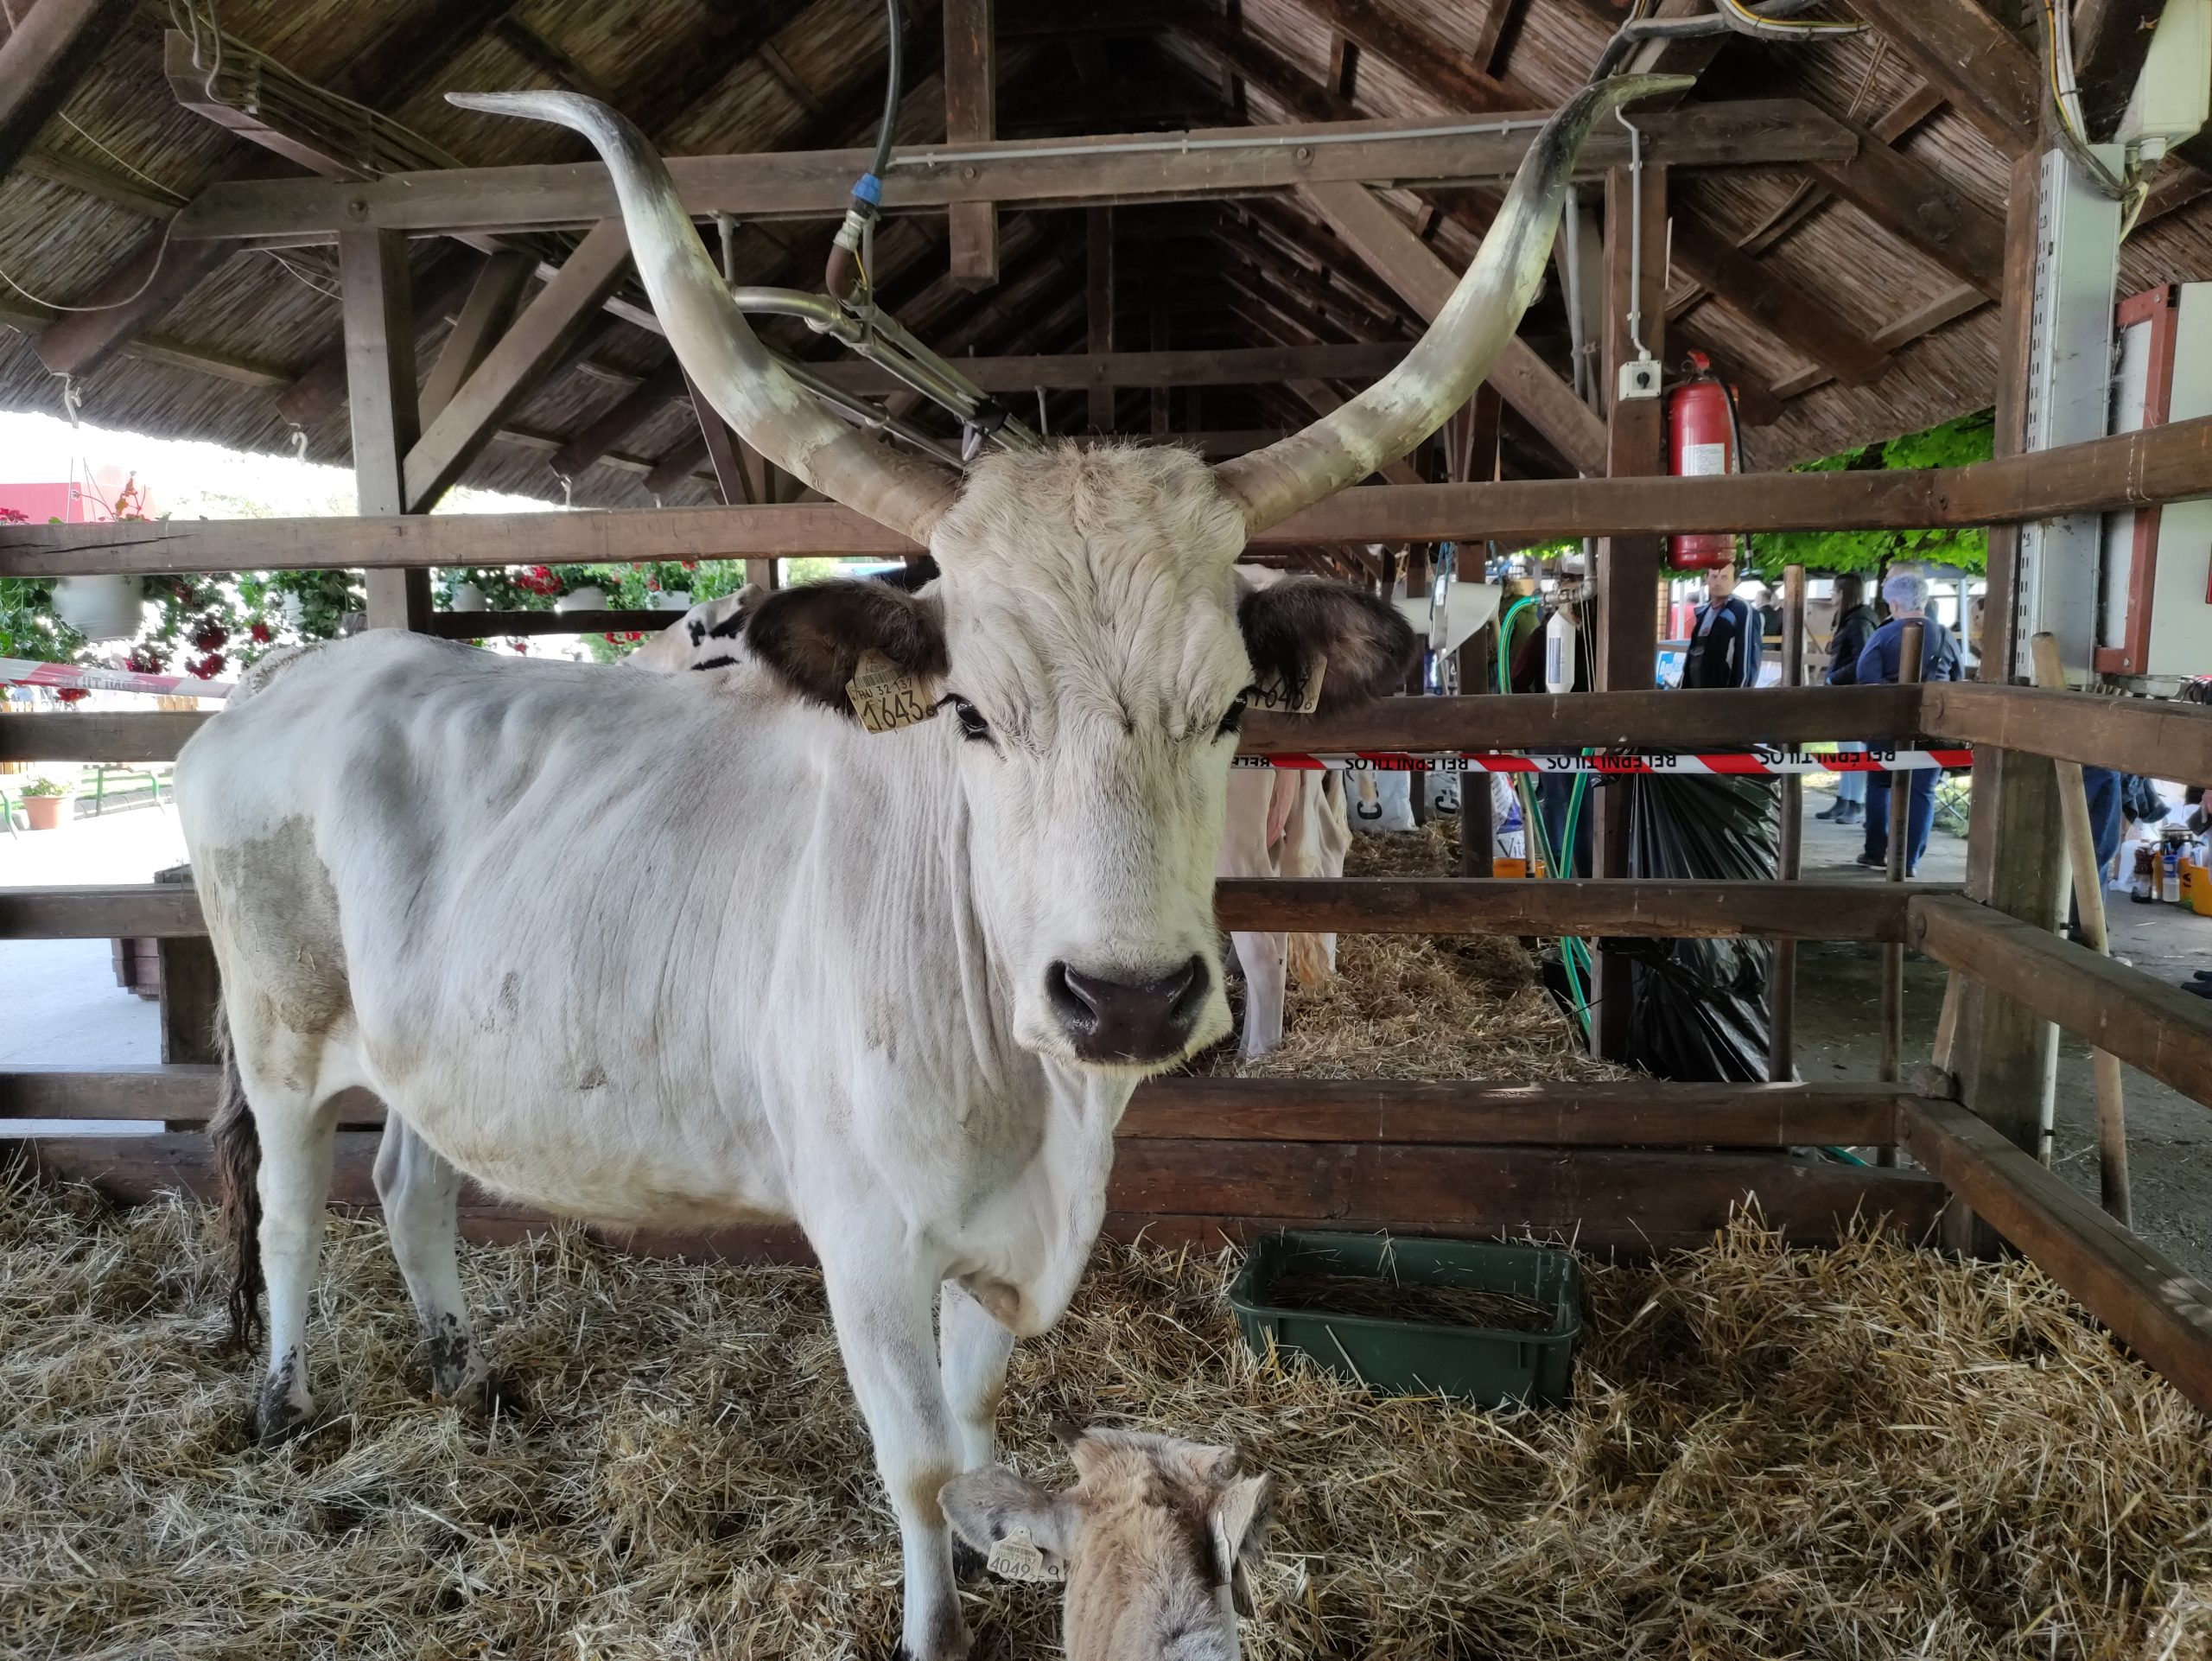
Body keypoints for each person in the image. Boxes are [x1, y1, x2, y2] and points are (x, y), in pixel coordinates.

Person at [1854, 571, 1963, 875]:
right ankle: (1908, 860)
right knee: (1922, 792)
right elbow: (1957, 680)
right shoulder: (1944, 635)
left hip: (1887, 725)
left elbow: (1866, 676)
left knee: (1879, 784)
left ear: (1893, 604)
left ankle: (1875, 851)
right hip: (1933, 728)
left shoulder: (1883, 634)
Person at [1815, 574, 1880, 826]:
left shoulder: (1858, 621)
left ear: (1844, 593)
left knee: (1853, 749)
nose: (1831, 595)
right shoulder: (1854, 620)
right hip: (1845, 693)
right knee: (1846, 748)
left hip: (1851, 694)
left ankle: (1856, 801)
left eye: (1834, 591)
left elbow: (1861, 660)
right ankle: (1845, 798)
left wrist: (1834, 678)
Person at [1681, 561, 1762, 689]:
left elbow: (1747, 658)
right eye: (1714, 576)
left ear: (1736, 582)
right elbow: (1692, 655)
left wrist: (1739, 696)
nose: (1718, 582)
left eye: (1725, 577)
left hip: (1724, 698)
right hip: (1697, 696)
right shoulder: (1703, 613)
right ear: (1706, 578)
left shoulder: (1742, 610)